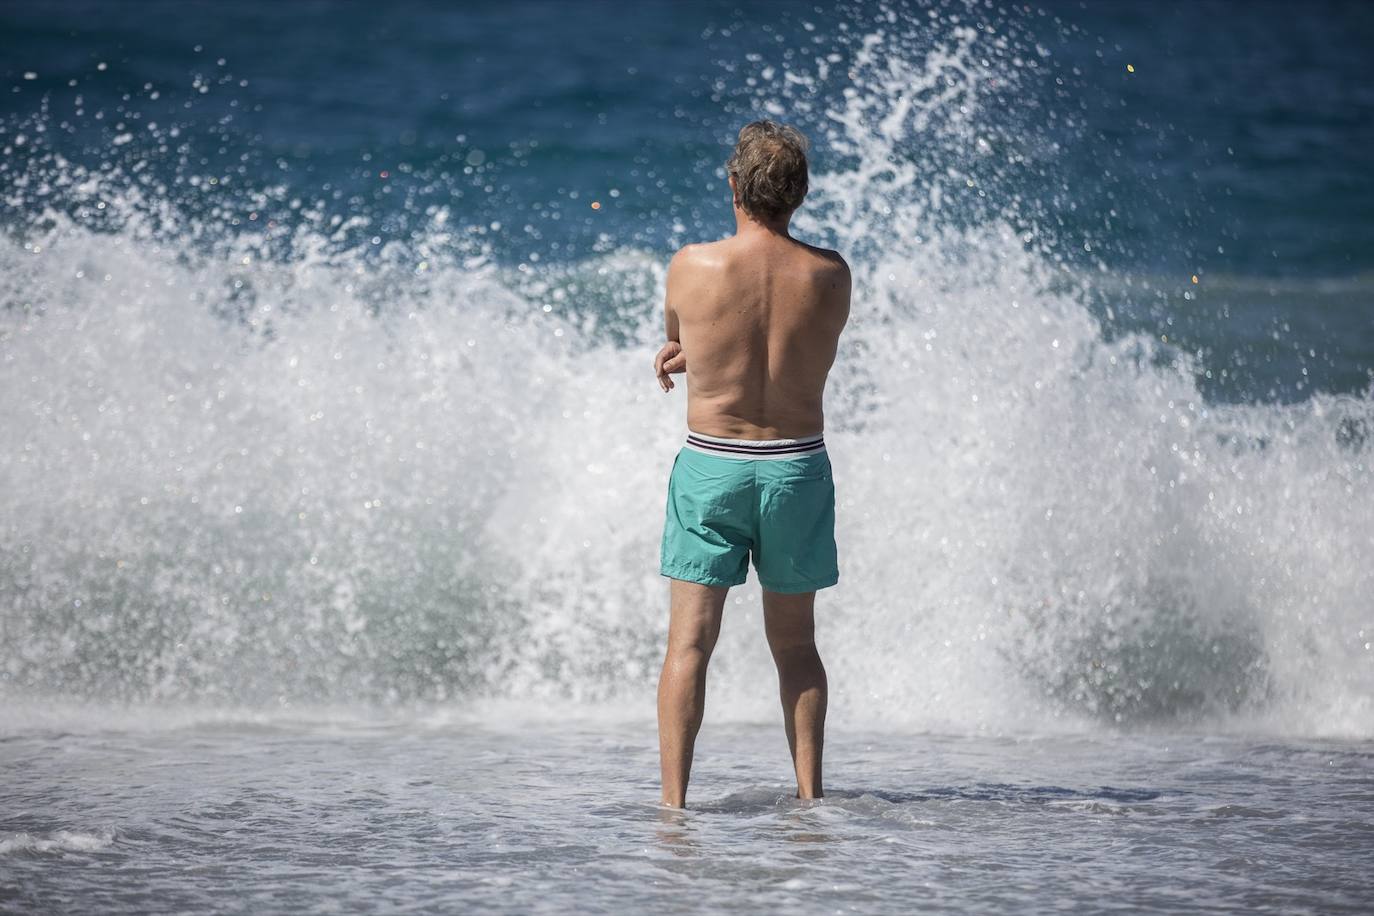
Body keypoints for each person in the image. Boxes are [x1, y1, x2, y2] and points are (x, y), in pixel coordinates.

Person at [651, 120, 851, 809]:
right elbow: (792, 345)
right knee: (796, 647)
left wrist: (685, 352)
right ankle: (810, 800)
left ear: (733, 187)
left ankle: (674, 808)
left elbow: (686, 338)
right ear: (798, 195)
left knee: (690, 646)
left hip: (713, 466)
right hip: (795, 469)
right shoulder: (830, 274)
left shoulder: (691, 265)